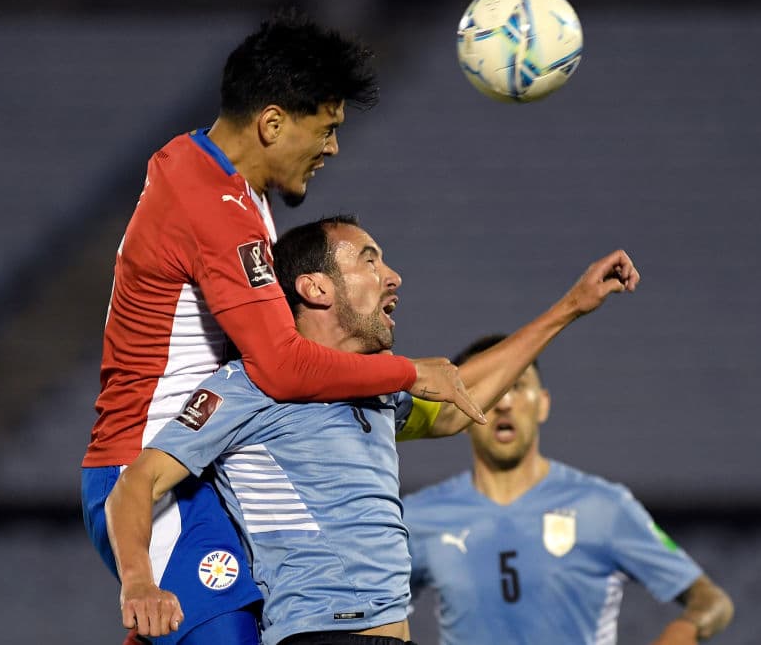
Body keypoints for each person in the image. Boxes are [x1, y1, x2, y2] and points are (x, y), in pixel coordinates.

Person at [80, 12, 480, 644]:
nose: (334, 147)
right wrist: (410, 371)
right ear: (272, 123)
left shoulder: (221, 182)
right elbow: (282, 366)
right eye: (326, 128)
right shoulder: (215, 206)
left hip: (199, 463)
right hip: (148, 472)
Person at [104, 215, 641, 645]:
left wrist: (572, 306)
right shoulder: (250, 385)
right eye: (369, 260)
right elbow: (135, 483)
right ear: (315, 287)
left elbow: (458, 404)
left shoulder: (375, 385)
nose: (393, 276)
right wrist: (139, 583)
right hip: (323, 634)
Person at [402, 340, 735, 645]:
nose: (503, 403)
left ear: (542, 404)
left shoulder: (604, 507)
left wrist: (683, 631)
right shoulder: (418, 517)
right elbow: (377, 614)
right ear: (457, 409)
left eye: (516, 386)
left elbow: (711, 601)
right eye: (488, 390)